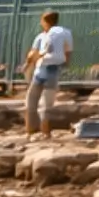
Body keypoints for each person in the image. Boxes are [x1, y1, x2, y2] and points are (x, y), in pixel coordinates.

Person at [25, 9, 72, 138]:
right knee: (44, 103)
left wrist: (28, 64)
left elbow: (33, 54)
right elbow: (67, 52)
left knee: (34, 102)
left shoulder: (42, 37)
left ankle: (34, 131)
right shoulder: (64, 33)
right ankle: (41, 132)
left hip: (42, 70)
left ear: (45, 21)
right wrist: (65, 64)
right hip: (50, 70)